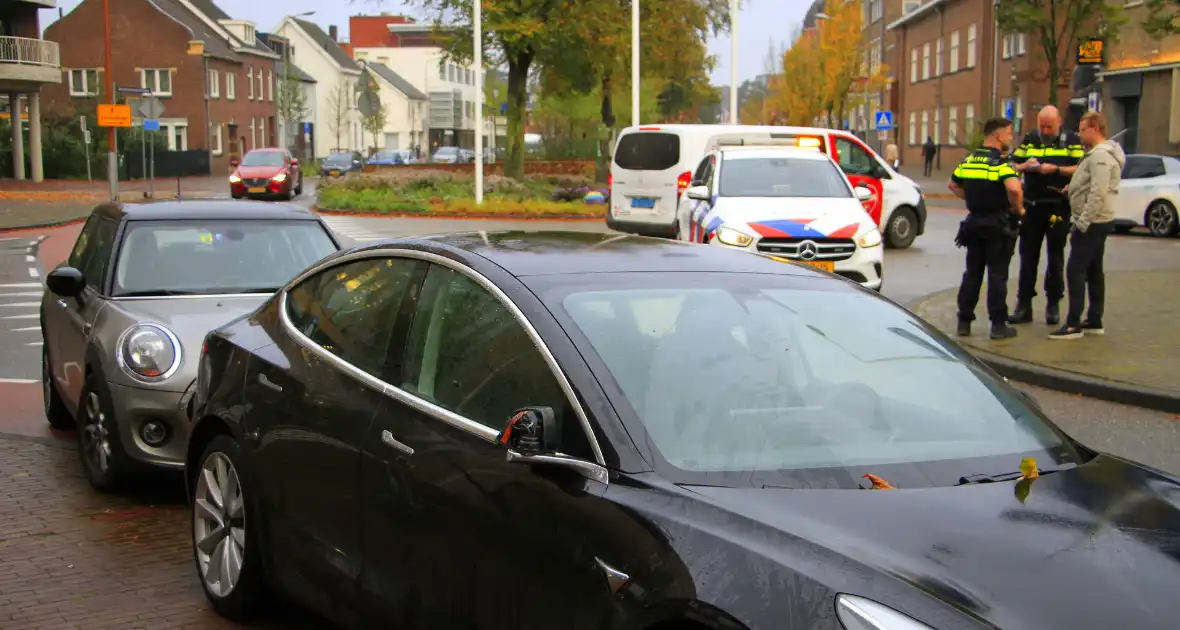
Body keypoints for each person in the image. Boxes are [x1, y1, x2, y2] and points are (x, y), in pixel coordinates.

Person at [1008, 105, 1084, 326]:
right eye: (1042, 126)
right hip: (1032, 206)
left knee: (1055, 258)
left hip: (1057, 206)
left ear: (1059, 122)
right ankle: (1024, 305)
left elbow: (1079, 168)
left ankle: (1053, 305)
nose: (1045, 131)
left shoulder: (1071, 140)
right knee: (1027, 257)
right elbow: (1012, 166)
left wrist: (1056, 170)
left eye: (1049, 127)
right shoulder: (1031, 139)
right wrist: (1025, 166)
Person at [948, 117, 1024, 340]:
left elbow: (952, 184)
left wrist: (971, 198)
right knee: (997, 275)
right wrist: (1018, 208)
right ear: (998, 135)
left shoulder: (969, 160)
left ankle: (964, 321)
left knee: (972, 273)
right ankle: (998, 325)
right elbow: (1014, 188)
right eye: (1009, 134)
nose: (1011, 138)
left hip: (973, 224)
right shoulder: (1000, 162)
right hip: (997, 225)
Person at [1050, 111, 1124, 340]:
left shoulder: (1100, 157)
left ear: (1094, 129)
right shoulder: (1096, 154)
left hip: (1093, 222)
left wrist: (1082, 222)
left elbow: (1098, 192)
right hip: (1097, 220)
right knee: (1093, 270)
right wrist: (1070, 191)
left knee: (1075, 270)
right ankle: (1094, 319)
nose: (1079, 134)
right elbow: (1089, 185)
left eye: (1082, 130)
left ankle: (1073, 324)